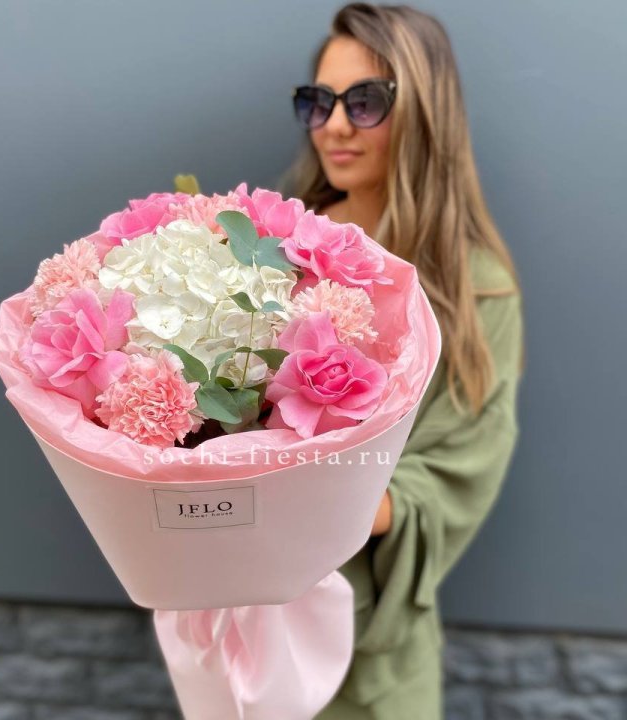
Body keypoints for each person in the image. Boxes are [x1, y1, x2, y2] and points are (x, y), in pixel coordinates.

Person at [280, 3, 525, 718]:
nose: (334, 125)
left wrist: (308, 498)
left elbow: (459, 467)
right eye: (319, 101)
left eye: (364, 102)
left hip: (372, 658)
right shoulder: (279, 246)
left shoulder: (477, 287)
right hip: (251, 623)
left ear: (424, 111)